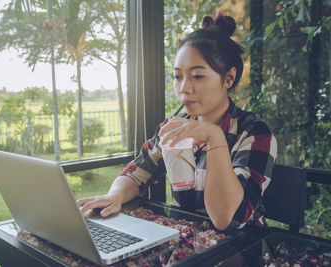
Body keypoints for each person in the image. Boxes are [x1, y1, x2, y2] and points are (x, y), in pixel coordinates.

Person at [77, 12, 277, 231]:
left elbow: (226, 219)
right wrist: (114, 196)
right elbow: (136, 174)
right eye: (177, 76)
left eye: (198, 76)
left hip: (242, 250)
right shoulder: (173, 127)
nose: (184, 88)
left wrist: (214, 137)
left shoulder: (255, 134)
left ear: (228, 78)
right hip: (185, 243)